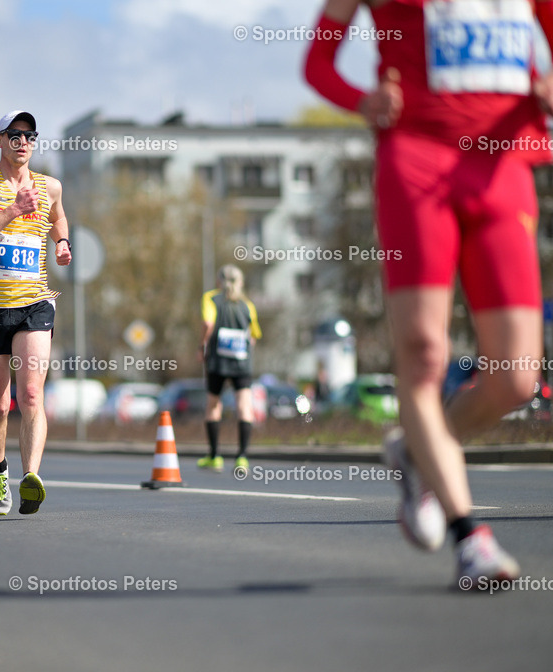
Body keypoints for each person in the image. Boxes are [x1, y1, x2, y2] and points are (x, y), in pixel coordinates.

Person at [304, 0, 553, 588]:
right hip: (414, 164)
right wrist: (360, 100)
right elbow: (319, 60)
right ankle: (472, 539)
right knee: (422, 351)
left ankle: (417, 450)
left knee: (517, 376)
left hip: (501, 167)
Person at [0, 110, 72, 515]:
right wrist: (11, 211)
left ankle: (31, 477)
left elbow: (58, 217)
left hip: (35, 303)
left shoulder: (50, 186)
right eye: (15, 135)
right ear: (0, 140)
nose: (23, 141)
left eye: (30, 136)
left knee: (30, 394)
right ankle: (0, 469)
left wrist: (62, 243)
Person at [197, 265, 262, 473]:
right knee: (244, 405)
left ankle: (215, 456)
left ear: (218, 281)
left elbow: (208, 323)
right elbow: (254, 335)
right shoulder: (247, 304)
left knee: (213, 405)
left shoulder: (211, 298)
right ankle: (242, 456)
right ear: (240, 282)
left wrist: (202, 346)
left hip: (218, 360)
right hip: (241, 361)